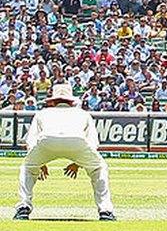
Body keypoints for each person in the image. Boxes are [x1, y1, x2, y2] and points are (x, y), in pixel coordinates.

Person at [15, 84, 116, 221]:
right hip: (77, 141)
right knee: (99, 168)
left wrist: (39, 163)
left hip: (47, 142)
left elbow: (31, 141)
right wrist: (78, 163)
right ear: (72, 101)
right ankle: (106, 211)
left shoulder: (43, 113)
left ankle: (23, 208)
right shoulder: (83, 113)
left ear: (52, 101)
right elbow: (93, 143)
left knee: (27, 168)